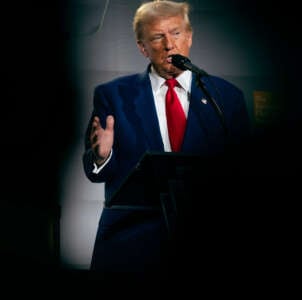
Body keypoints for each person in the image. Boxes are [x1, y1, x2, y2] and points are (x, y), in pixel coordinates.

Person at [82, 0, 251, 282]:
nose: (169, 45)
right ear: (142, 47)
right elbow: (94, 170)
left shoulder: (226, 97)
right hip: (130, 245)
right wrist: (101, 157)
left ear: (190, 37)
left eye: (176, 33)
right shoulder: (113, 95)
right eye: (158, 37)